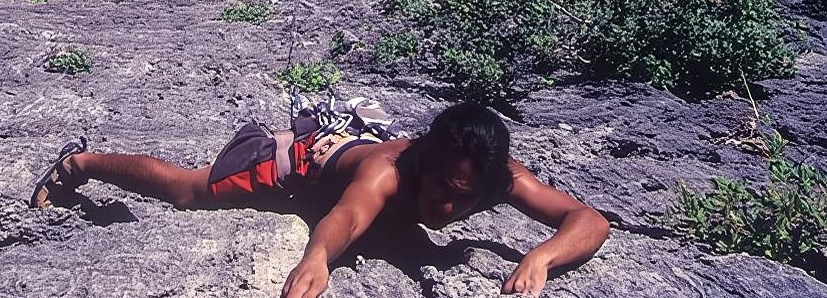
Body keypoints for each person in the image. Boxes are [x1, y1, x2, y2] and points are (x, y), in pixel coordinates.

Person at [30, 101, 610, 297]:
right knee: (189, 190)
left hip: (350, 149)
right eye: (440, 188)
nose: (449, 207)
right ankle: (79, 162)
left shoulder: (493, 175)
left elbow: (590, 219)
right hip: (303, 165)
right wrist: (316, 258)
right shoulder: (389, 171)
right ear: (424, 163)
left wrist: (541, 256)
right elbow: (347, 216)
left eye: (465, 198)